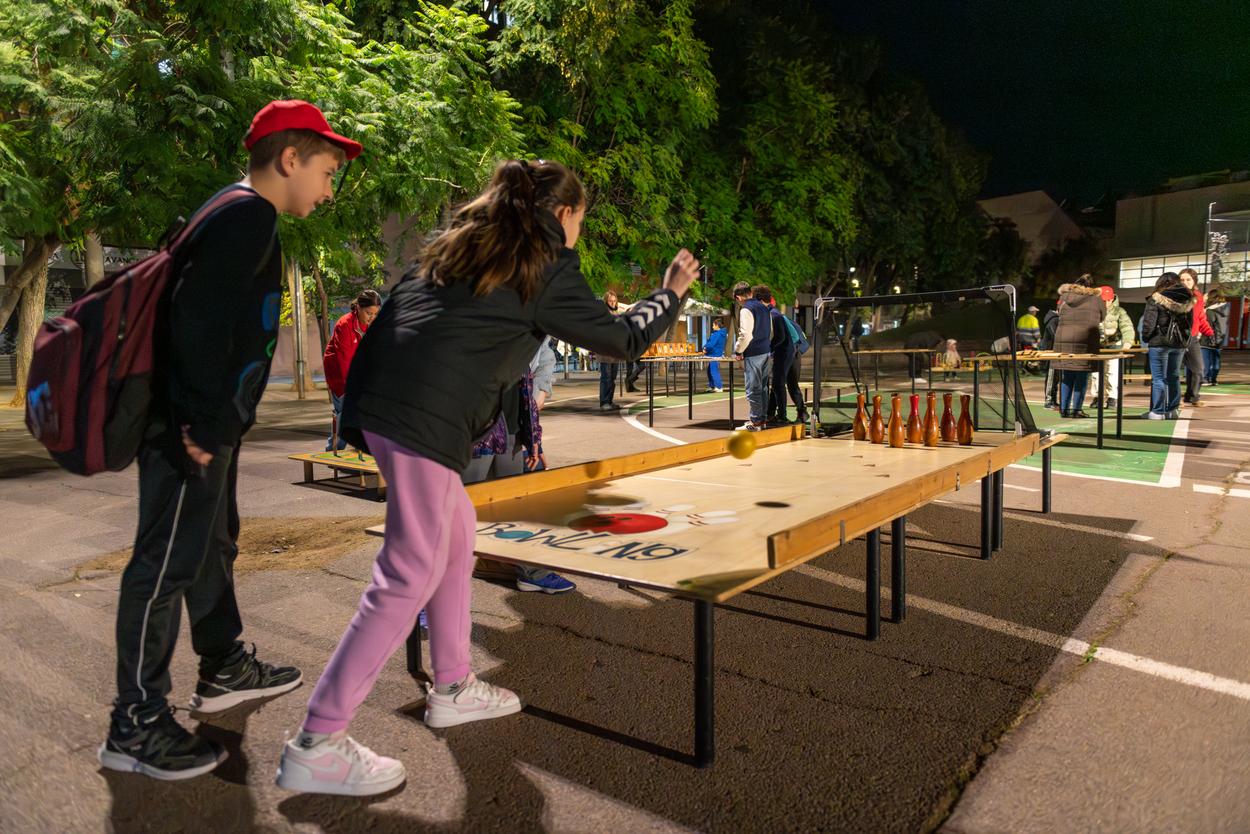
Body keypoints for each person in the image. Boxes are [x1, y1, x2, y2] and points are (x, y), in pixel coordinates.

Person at [275, 159, 698, 796]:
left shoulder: (458, 248)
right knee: (409, 569)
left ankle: (453, 685)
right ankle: (318, 740)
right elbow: (621, 339)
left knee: (457, 534)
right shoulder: (542, 261)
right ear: (564, 214)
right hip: (424, 416)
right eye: (580, 221)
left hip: (385, 403)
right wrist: (669, 292)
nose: (577, 233)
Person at [99, 101, 359, 781]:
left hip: (203, 426)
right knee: (163, 565)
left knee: (210, 546)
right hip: (188, 430)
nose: (329, 191)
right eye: (328, 172)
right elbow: (198, 324)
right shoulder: (245, 217)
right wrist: (200, 427)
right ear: (290, 159)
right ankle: (134, 723)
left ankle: (222, 665)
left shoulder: (231, 211)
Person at [323, 289, 382, 450]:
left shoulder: (373, 325)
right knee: (343, 409)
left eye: (375, 314)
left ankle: (366, 446)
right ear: (358, 307)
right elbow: (344, 360)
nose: (371, 317)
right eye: (369, 313)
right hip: (339, 370)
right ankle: (334, 449)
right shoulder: (344, 324)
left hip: (359, 369)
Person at [1139, 272, 1194, 420]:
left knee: (1159, 379)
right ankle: (1172, 410)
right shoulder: (1187, 299)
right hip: (1179, 343)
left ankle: (1158, 412)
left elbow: (1149, 323)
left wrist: (1146, 337)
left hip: (1160, 343)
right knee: (1174, 376)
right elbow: (1190, 323)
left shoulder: (1155, 299)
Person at [1052, 274, 1106, 418]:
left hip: (1064, 340)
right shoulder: (1095, 298)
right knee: (1082, 374)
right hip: (1085, 340)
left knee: (1067, 375)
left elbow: (1059, 313)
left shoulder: (1064, 296)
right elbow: (1103, 316)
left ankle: (1064, 409)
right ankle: (1077, 409)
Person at [731, 281, 772, 432]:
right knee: (763, 388)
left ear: (738, 297)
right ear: (751, 293)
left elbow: (746, 335)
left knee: (753, 389)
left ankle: (755, 422)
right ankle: (762, 420)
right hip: (766, 351)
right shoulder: (763, 307)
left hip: (754, 353)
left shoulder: (746, 309)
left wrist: (738, 350)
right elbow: (769, 330)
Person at [1178, 268, 1215, 407]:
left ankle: (1192, 397)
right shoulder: (1174, 296)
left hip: (1192, 339)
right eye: (1182, 280)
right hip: (1176, 339)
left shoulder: (1198, 297)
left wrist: (1209, 333)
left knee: (1198, 370)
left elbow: (1201, 318)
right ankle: (1174, 400)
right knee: (1173, 372)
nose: (1185, 282)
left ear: (1194, 281)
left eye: (1188, 279)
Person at [1094, 287, 1135, 409]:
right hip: (1097, 347)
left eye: (1108, 300)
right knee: (1096, 373)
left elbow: (1127, 327)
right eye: (1103, 301)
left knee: (1112, 372)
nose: (1106, 303)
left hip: (1114, 346)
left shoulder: (1119, 311)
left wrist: (1127, 341)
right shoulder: (1093, 311)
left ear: (1113, 299)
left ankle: (1111, 398)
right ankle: (1097, 397)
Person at [759, 286, 795, 425]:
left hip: (783, 351)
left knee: (778, 384)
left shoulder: (774, 315)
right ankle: (772, 414)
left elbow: (780, 337)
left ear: (761, 301)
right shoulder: (773, 313)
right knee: (776, 384)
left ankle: (782, 416)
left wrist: (768, 348)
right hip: (782, 351)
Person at [780, 313, 811, 424]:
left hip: (792, 354)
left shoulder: (778, 317)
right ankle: (774, 414)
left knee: (791, 385)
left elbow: (795, 337)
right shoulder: (776, 317)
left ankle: (802, 412)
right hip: (789, 353)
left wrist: (788, 352)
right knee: (778, 384)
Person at [598, 291, 622, 410]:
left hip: (615, 350)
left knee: (612, 377)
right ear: (606, 301)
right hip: (605, 350)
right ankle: (604, 402)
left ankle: (610, 401)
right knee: (606, 377)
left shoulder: (617, 313)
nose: (612, 303)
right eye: (610, 301)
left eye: (614, 301)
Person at [1202, 287, 1229, 385]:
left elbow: (1207, 324)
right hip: (1219, 339)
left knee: (1205, 359)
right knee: (1216, 360)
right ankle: (1213, 379)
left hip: (1207, 338)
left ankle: (1205, 378)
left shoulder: (1209, 311)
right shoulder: (1225, 309)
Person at [1039, 302, 1062, 409]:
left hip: (1054, 352)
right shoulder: (1054, 320)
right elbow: (1056, 335)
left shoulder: (1055, 319)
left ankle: (1053, 400)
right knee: (1051, 377)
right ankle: (1048, 401)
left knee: (1055, 377)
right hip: (1051, 352)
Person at [703, 318, 727, 392]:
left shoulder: (717, 334)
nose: (712, 327)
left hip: (714, 355)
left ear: (717, 326)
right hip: (715, 354)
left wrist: (705, 349)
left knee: (714, 371)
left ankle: (719, 387)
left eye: (713, 325)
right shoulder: (720, 334)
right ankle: (712, 386)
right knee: (710, 370)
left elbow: (711, 344)